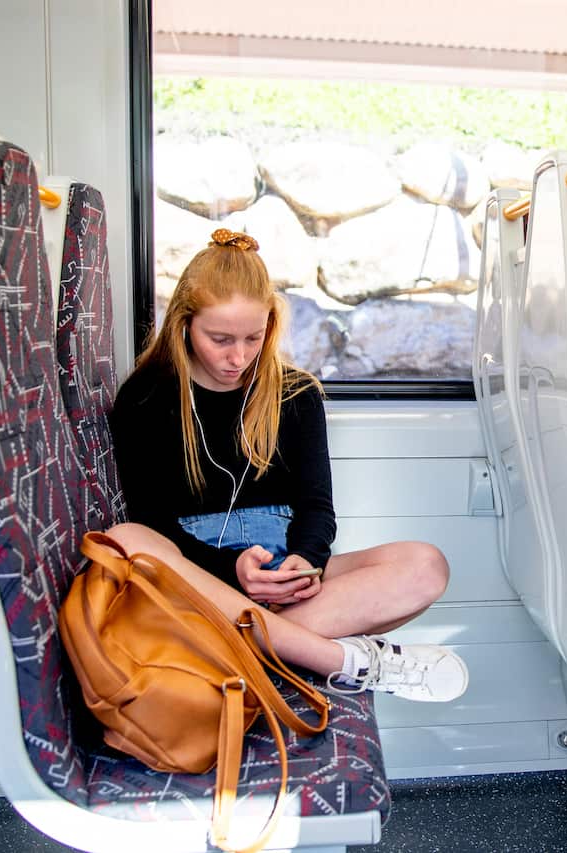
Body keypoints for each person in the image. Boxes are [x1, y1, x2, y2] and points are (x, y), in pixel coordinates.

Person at [105, 228, 468, 702]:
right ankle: (339, 659)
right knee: (127, 540)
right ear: (184, 324)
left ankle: (230, 651)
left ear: (270, 326)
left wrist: (306, 563)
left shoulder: (296, 394)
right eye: (220, 339)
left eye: (253, 338)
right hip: (197, 579)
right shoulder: (146, 397)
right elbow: (152, 524)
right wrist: (232, 568)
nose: (238, 357)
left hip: (282, 576)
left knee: (425, 566)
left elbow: (317, 508)